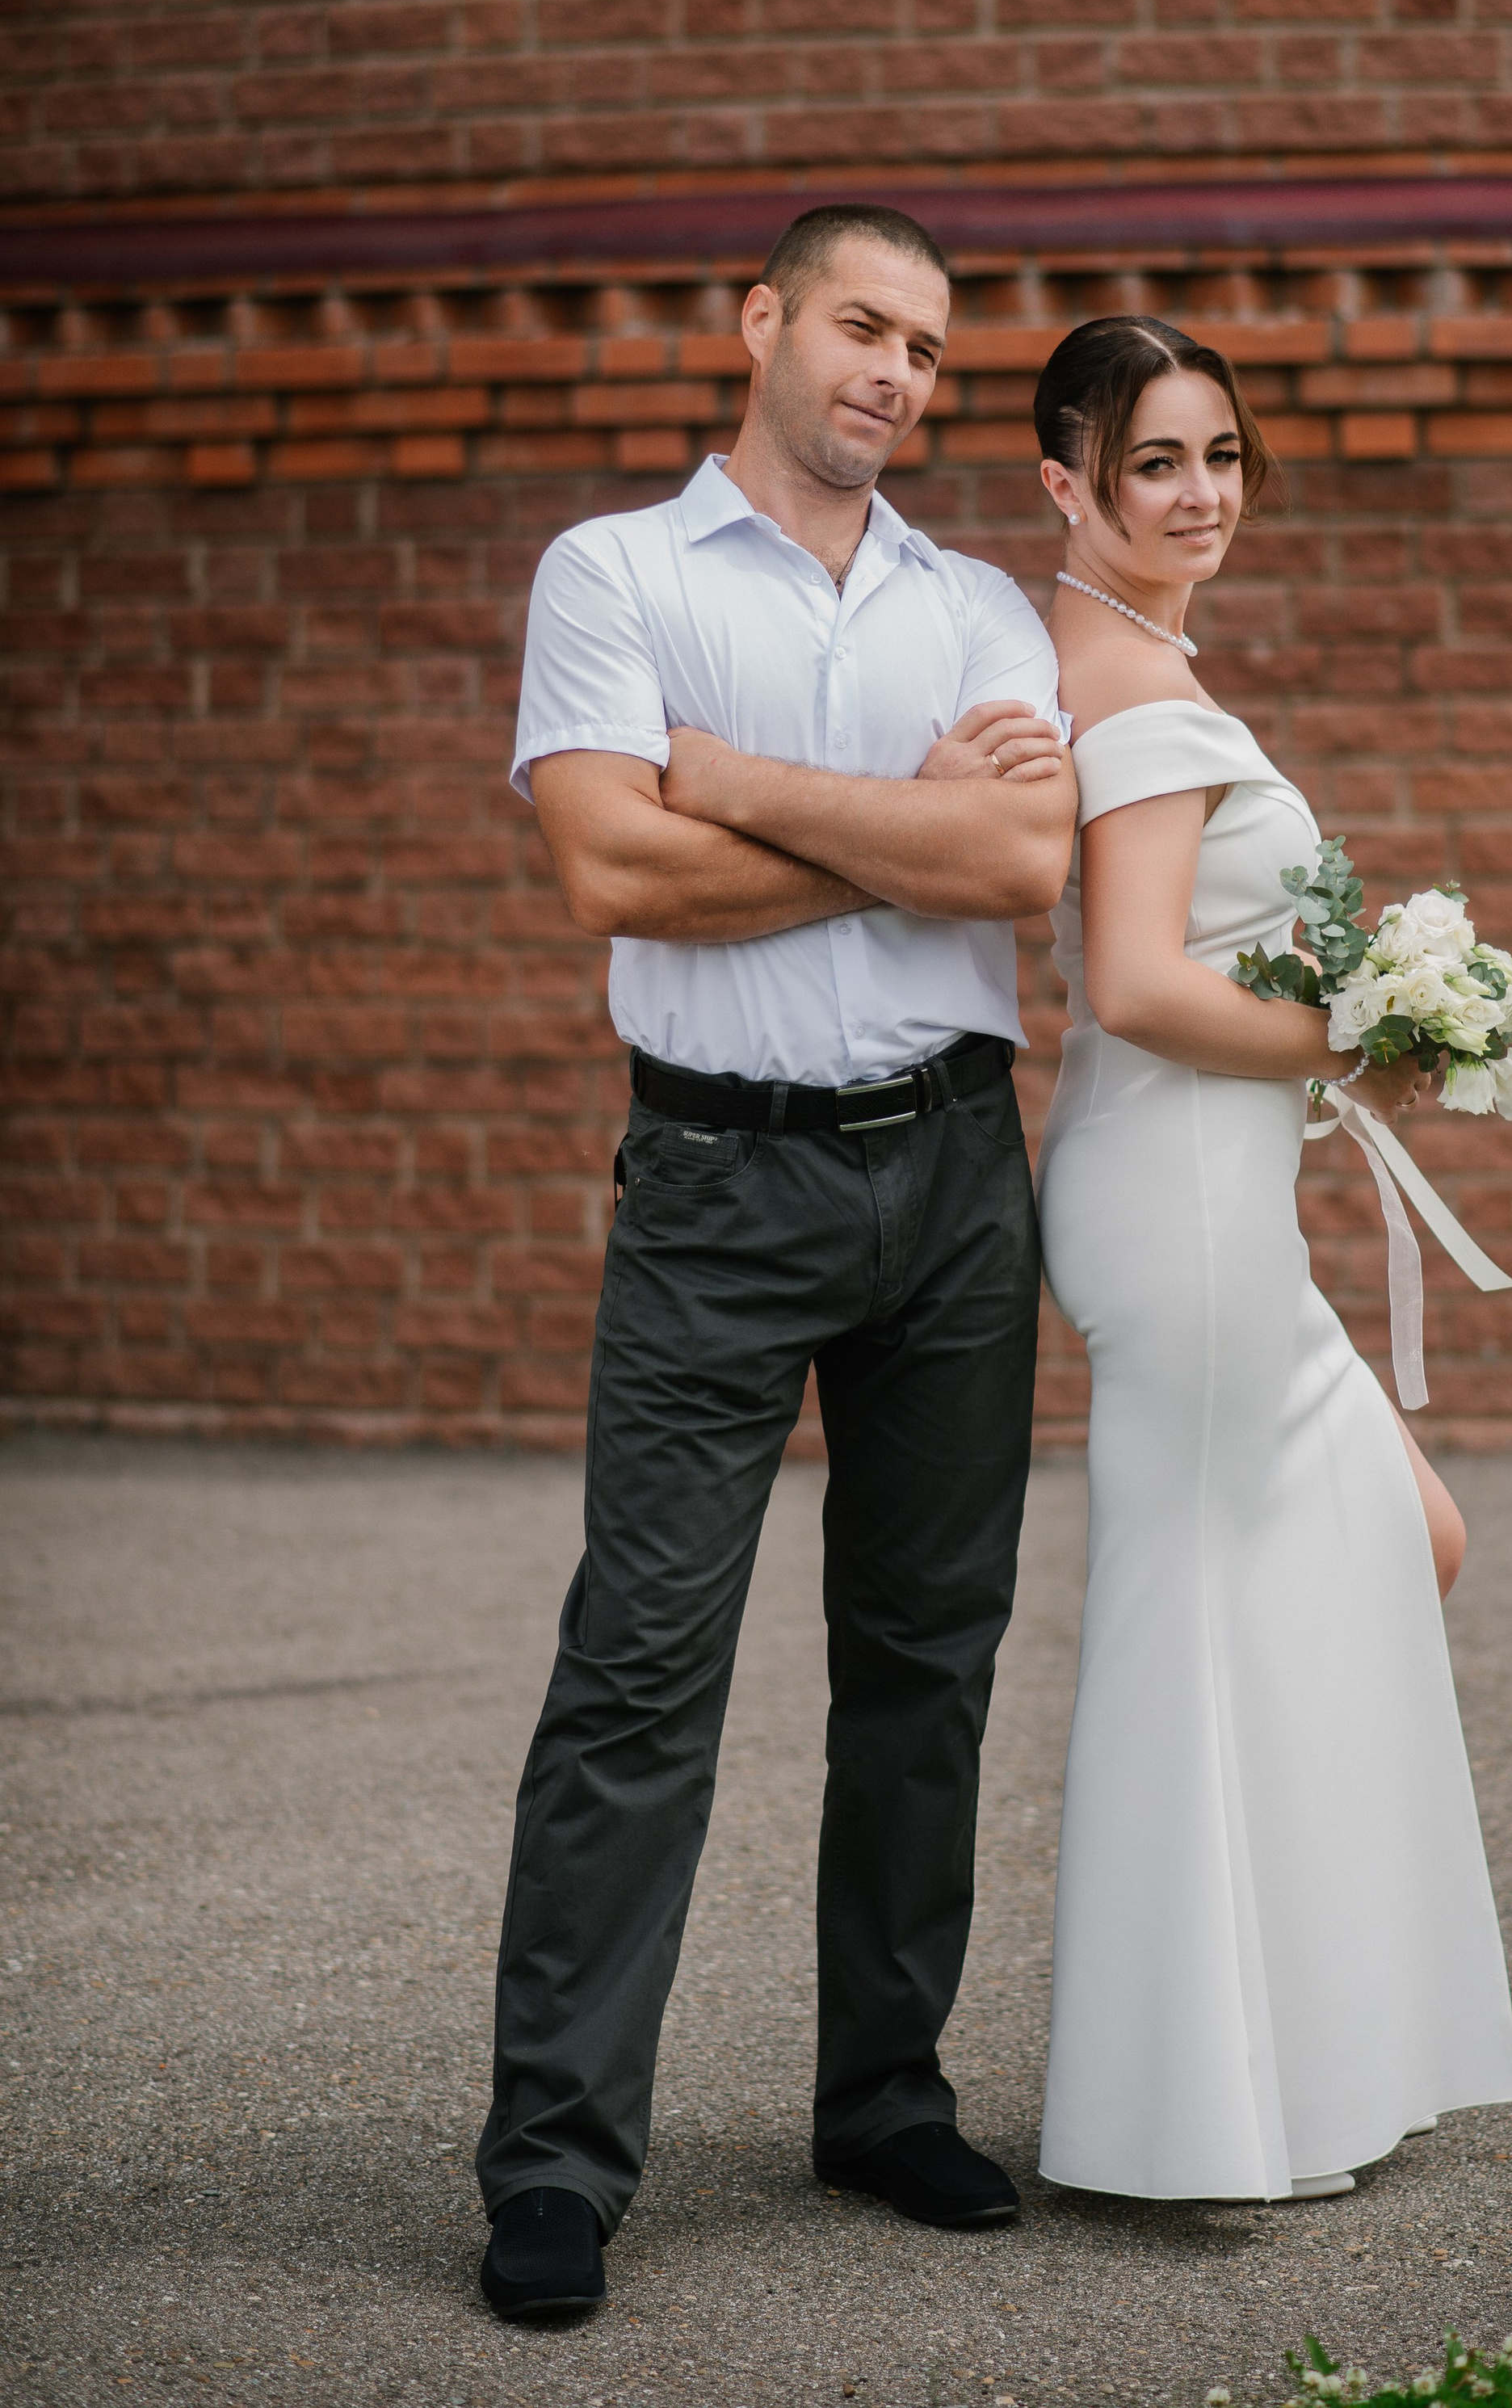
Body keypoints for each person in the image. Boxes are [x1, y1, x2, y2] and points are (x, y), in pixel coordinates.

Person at [477, 205, 1077, 2321]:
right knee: (639, 1673)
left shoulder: (985, 601)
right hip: (717, 1187)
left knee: (930, 1660)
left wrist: (731, 781)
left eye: (929, 346)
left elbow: (1015, 858)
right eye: (861, 325)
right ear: (762, 322)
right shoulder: (612, 575)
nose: (899, 373)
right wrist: (871, 825)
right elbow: (604, 860)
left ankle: (886, 2093)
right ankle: (554, 2160)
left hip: (955, 1190)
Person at [1030, 314, 1512, 2204]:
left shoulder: (1112, 650)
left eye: (1221, 454)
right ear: (1067, 477)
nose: (1202, 492)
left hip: (1200, 1192)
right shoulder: (1136, 693)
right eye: (1157, 460)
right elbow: (1145, 982)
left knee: (1394, 1541)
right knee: (1199, 1616)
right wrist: (1364, 1038)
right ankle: (1188, 2107)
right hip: (1180, 1199)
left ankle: (1293, 2039)